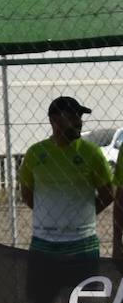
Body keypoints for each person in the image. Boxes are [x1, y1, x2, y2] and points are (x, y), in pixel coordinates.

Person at [19, 95, 113, 258]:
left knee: (86, 285)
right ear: (54, 120)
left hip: (83, 244)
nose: (78, 122)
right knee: (43, 284)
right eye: (71, 117)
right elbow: (27, 194)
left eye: (80, 117)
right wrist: (50, 216)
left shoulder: (91, 152)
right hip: (43, 243)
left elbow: (108, 194)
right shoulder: (35, 153)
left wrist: (82, 218)